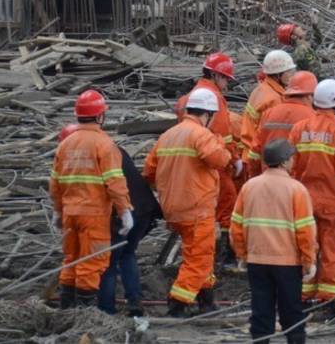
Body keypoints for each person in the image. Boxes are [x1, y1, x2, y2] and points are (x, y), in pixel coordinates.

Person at [145, 87, 232, 315]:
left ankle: (206, 301)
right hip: (196, 208)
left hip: (174, 209)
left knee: (197, 254)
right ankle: (178, 302)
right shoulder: (201, 134)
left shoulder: (167, 136)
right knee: (199, 257)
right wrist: (221, 144)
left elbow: (149, 172)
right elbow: (220, 160)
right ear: (208, 114)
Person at [51, 91, 133, 310]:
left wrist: (58, 212)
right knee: (92, 263)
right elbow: (115, 182)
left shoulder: (65, 144)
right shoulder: (104, 145)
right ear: (100, 116)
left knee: (71, 260)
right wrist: (125, 211)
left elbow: (56, 184)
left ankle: (65, 311)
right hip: (94, 215)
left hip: (70, 214)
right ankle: (84, 315)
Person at [232, 139, 317, 344]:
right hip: (287, 263)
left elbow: (236, 226)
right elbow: (305, 231)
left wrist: (242, 255)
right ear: (285, 161)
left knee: (261, 311)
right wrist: (309, 261)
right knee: (292, 311)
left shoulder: (249, 187)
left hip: (257, 260)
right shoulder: (296, 189)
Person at [287, 79, 335, 315]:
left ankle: (304, 294)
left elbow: (290, 165)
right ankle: (329, 300)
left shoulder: (299, 128)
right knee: (333, 250)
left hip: (304, 202)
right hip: (332, 203)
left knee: (307, 248)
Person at [175, 53, 240, 259]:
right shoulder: (213, 99)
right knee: (227, 202)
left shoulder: (188, 97)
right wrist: (234, 159)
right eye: (225, 79)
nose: (227, 84)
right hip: (213, 161)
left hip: (190, 165)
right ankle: (226, 255)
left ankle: (202, 251)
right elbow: (223, 135)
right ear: (214, 75)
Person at [98, 139, 161, 316]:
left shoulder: (96, 154)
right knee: (127, 253)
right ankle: (134, 301)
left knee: (108, 262)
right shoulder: (116, 149)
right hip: (145, 209)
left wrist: (123, 213)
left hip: (126, 211)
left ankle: (105, 310)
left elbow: (114, 187)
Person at [250, 71, 318, 175]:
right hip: (297, 182)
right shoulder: (313, 117)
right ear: (310, 95)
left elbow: (255, 151)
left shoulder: (269, 113)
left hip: (269, 177)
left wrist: (255, 176)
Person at [242, 50, 298, 172]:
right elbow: (274, 135)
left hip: (250, 152)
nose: (291, 75)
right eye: (288, 72)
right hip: (263, 156)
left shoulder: (260, 90)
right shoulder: (274, 99)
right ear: (278, 74)